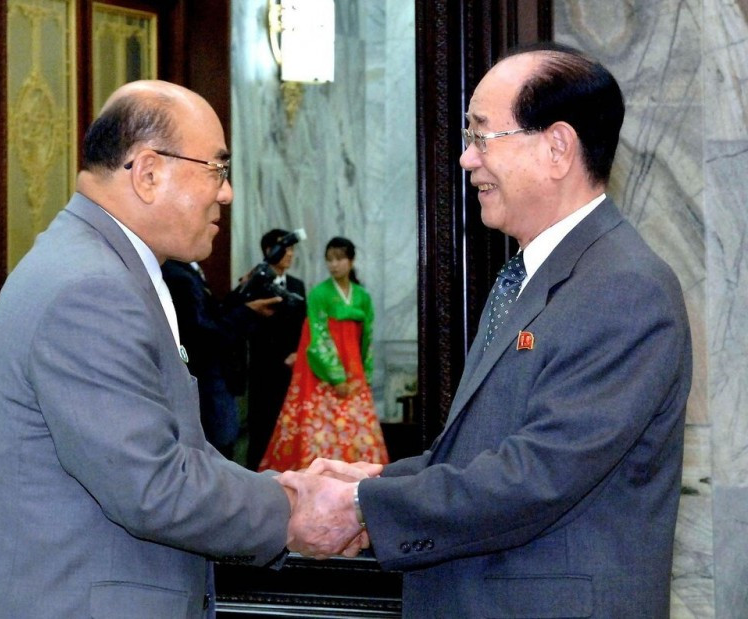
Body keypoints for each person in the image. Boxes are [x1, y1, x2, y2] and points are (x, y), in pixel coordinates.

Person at [278, 43, 693, 617]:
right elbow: (481, 454)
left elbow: (536, 477)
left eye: (482, 136)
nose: (467, 159)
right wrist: (380, 479)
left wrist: (360, 503)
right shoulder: (532, 274)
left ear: (557, 148)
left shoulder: (625, 287)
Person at [0, 80, 340, 618]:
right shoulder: (91, 289)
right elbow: (153, 486)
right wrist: (294, 508)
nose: (227, 193)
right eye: (217, 169)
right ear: (149, 172)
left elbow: (176, 453)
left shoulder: (97, 266)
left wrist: (283, 488)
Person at [259, 237, 389, 472]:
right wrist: (336, 376)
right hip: (322, 374)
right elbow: (318, 336)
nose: (334, 265)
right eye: (329, 260)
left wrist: (364, 374)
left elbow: (366, 339)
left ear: (351, 261)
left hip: (354, 373)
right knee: (322, 432)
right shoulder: (319, 293)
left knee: (357, 431)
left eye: (339, 259)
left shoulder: (362, 296)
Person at [161, 259, 279, 458]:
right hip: (207, 376)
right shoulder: (178, 275)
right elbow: (203, 334)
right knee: (219, 446)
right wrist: (247, 312)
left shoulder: (188, 270)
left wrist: (241, 293)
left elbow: (214, 312)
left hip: (217, 375)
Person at [245, 229, 307, 470]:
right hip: (264, 368)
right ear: (269, 251)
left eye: (292, 249)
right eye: (285, 248)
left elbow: (304, 325)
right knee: (262, 428)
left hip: (293, 368)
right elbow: (251, 327)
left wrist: (298, 353)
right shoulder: (255, 283)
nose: (290, 254)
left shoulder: (297, 285)